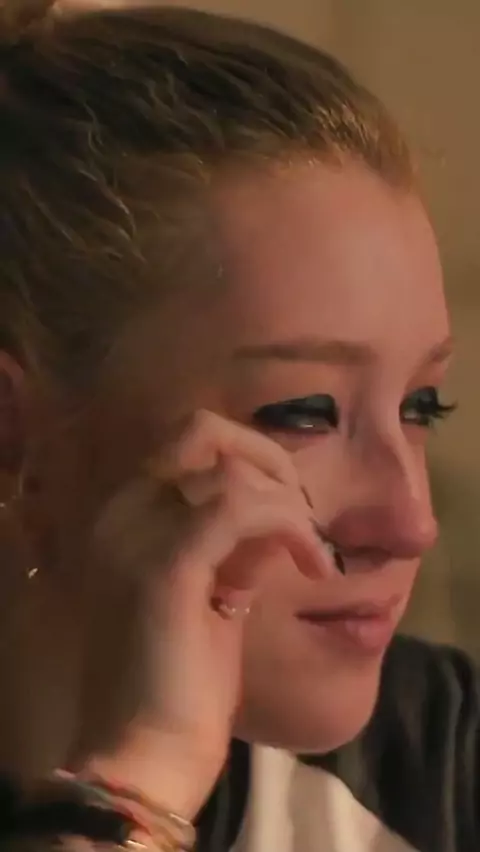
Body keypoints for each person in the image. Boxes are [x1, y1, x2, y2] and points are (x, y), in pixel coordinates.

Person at [0, 2, 474, 850]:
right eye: (304, 413)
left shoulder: (449, 765)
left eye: (420, 406)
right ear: (13, 435)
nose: (410, 524)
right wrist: (142, 773)